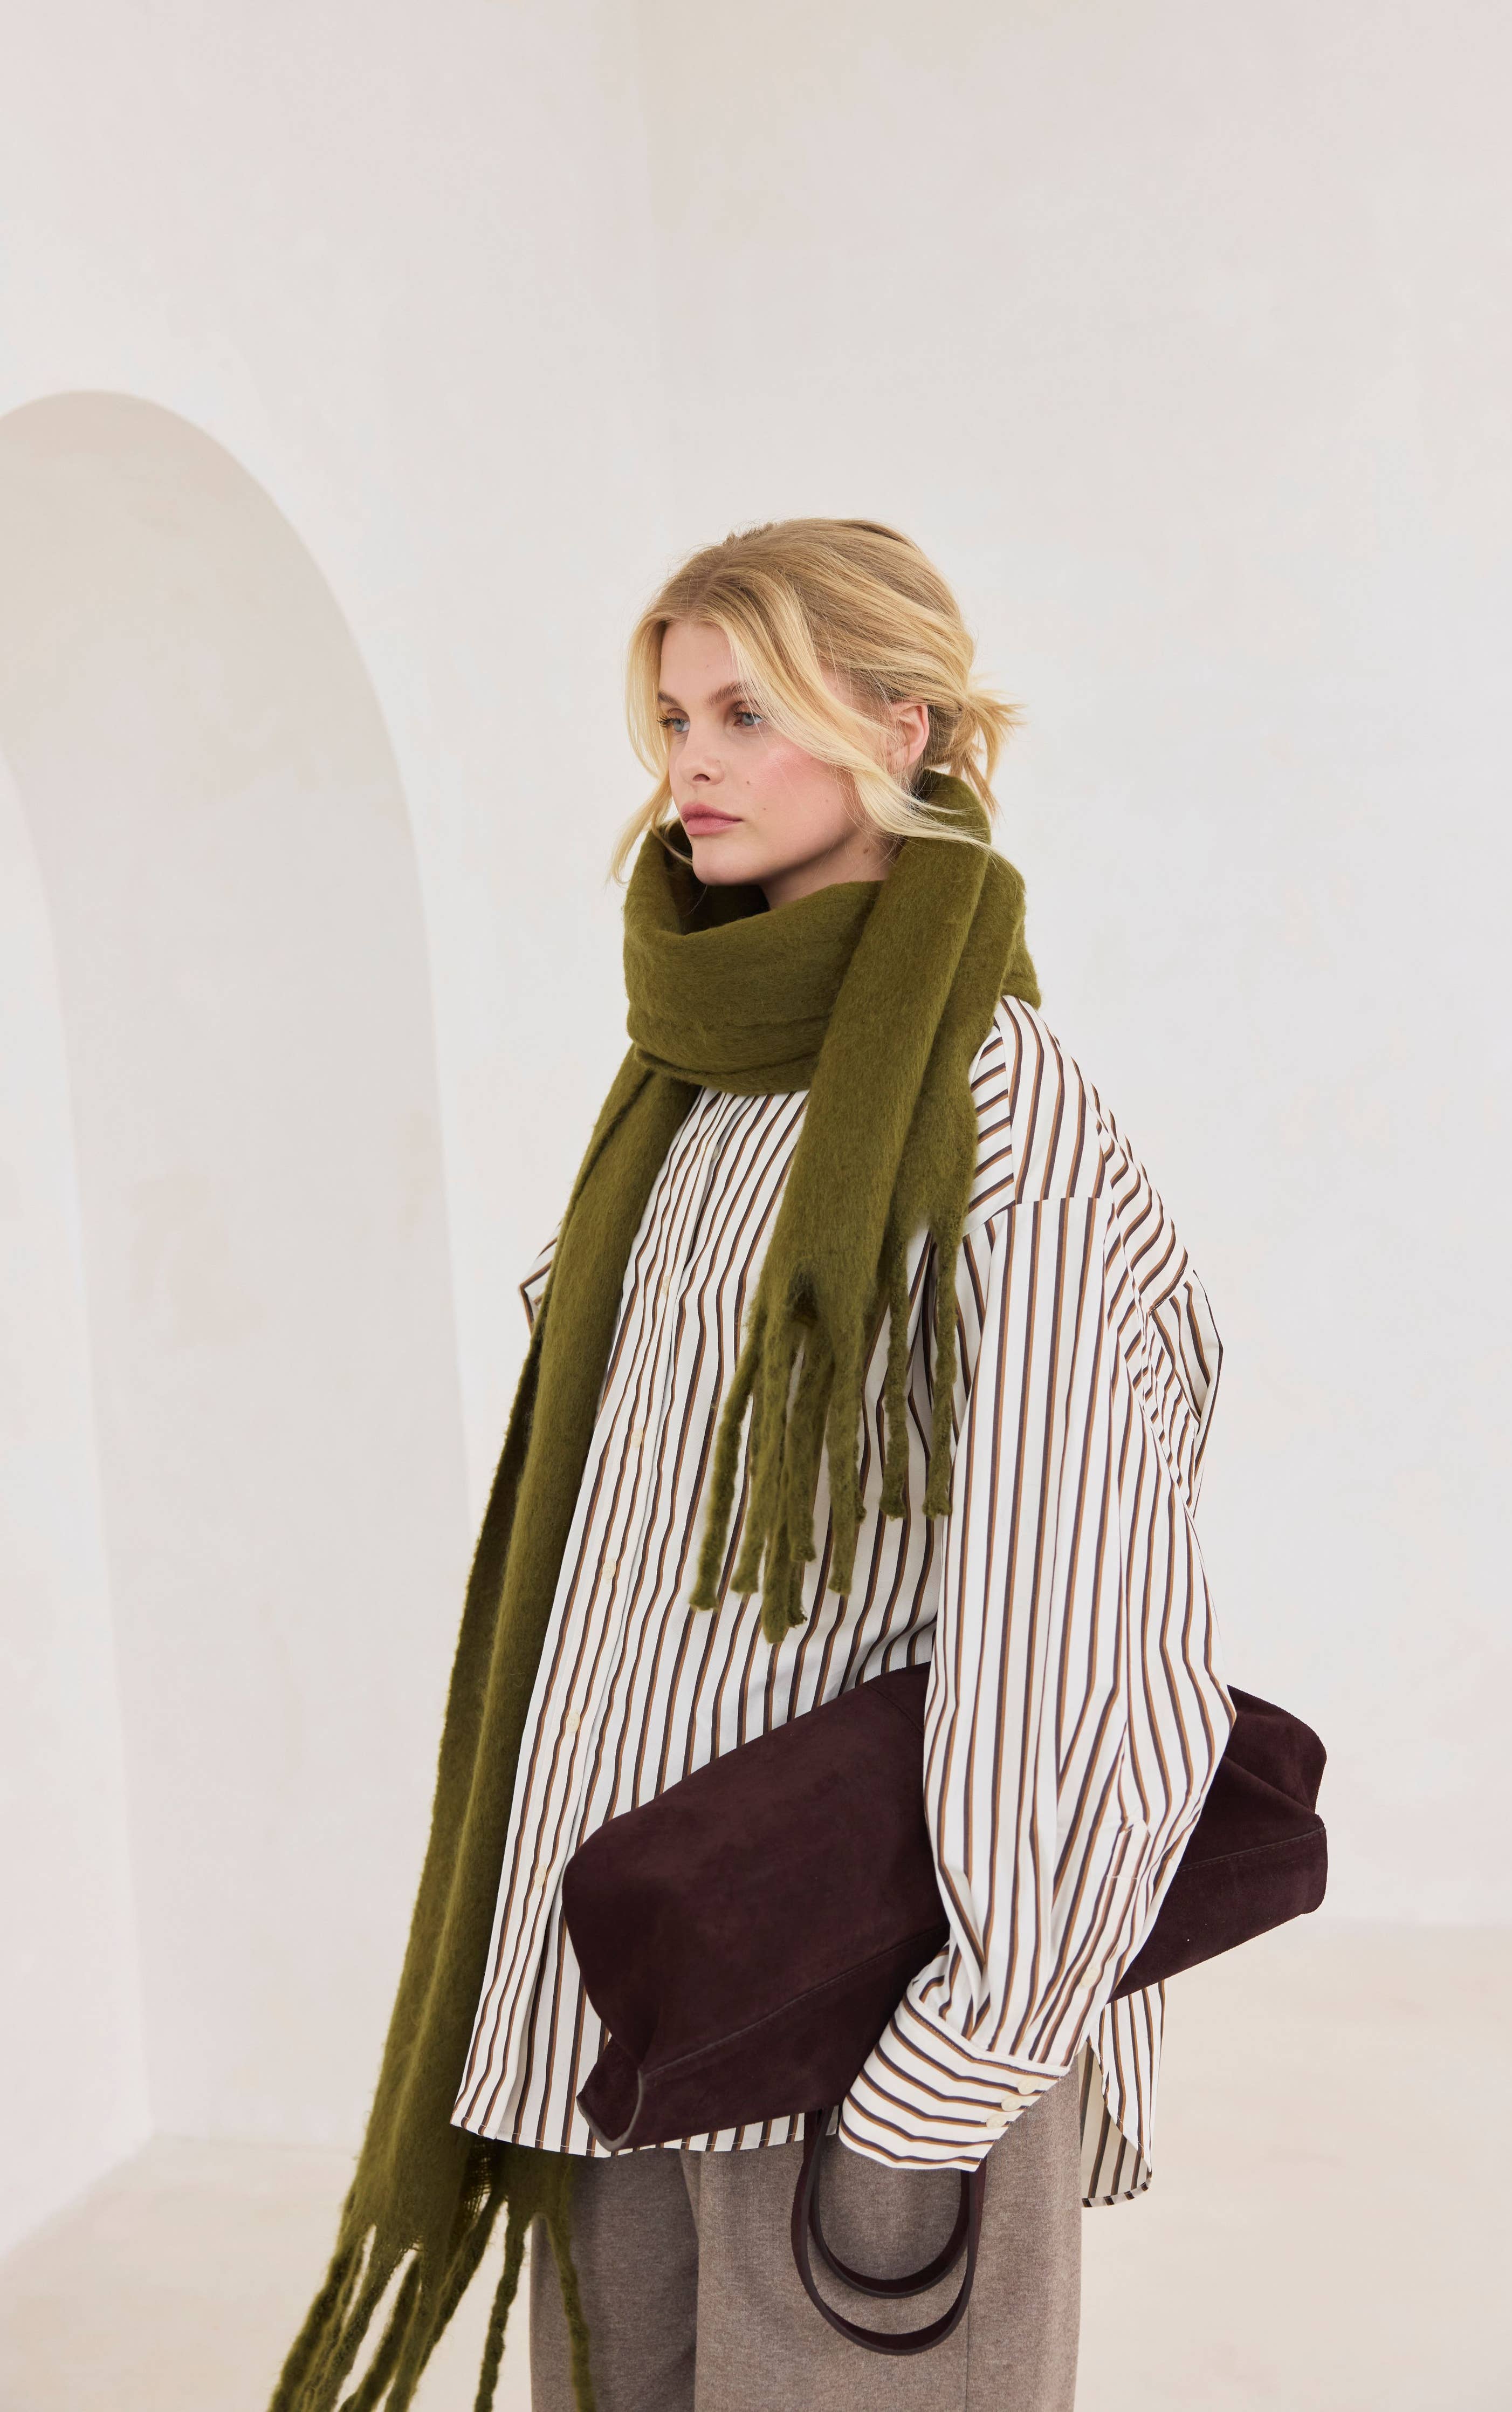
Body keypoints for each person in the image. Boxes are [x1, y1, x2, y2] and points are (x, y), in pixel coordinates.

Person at [271, 520, 1234, 2412]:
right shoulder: (687, 1092)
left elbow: (1086, 1598)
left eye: (745, 713)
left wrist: (952, 2068)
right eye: (669, 718)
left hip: (861, 2017)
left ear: (904, 727)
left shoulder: (1001, 1107)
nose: (687, 765)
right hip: (622, 1999)